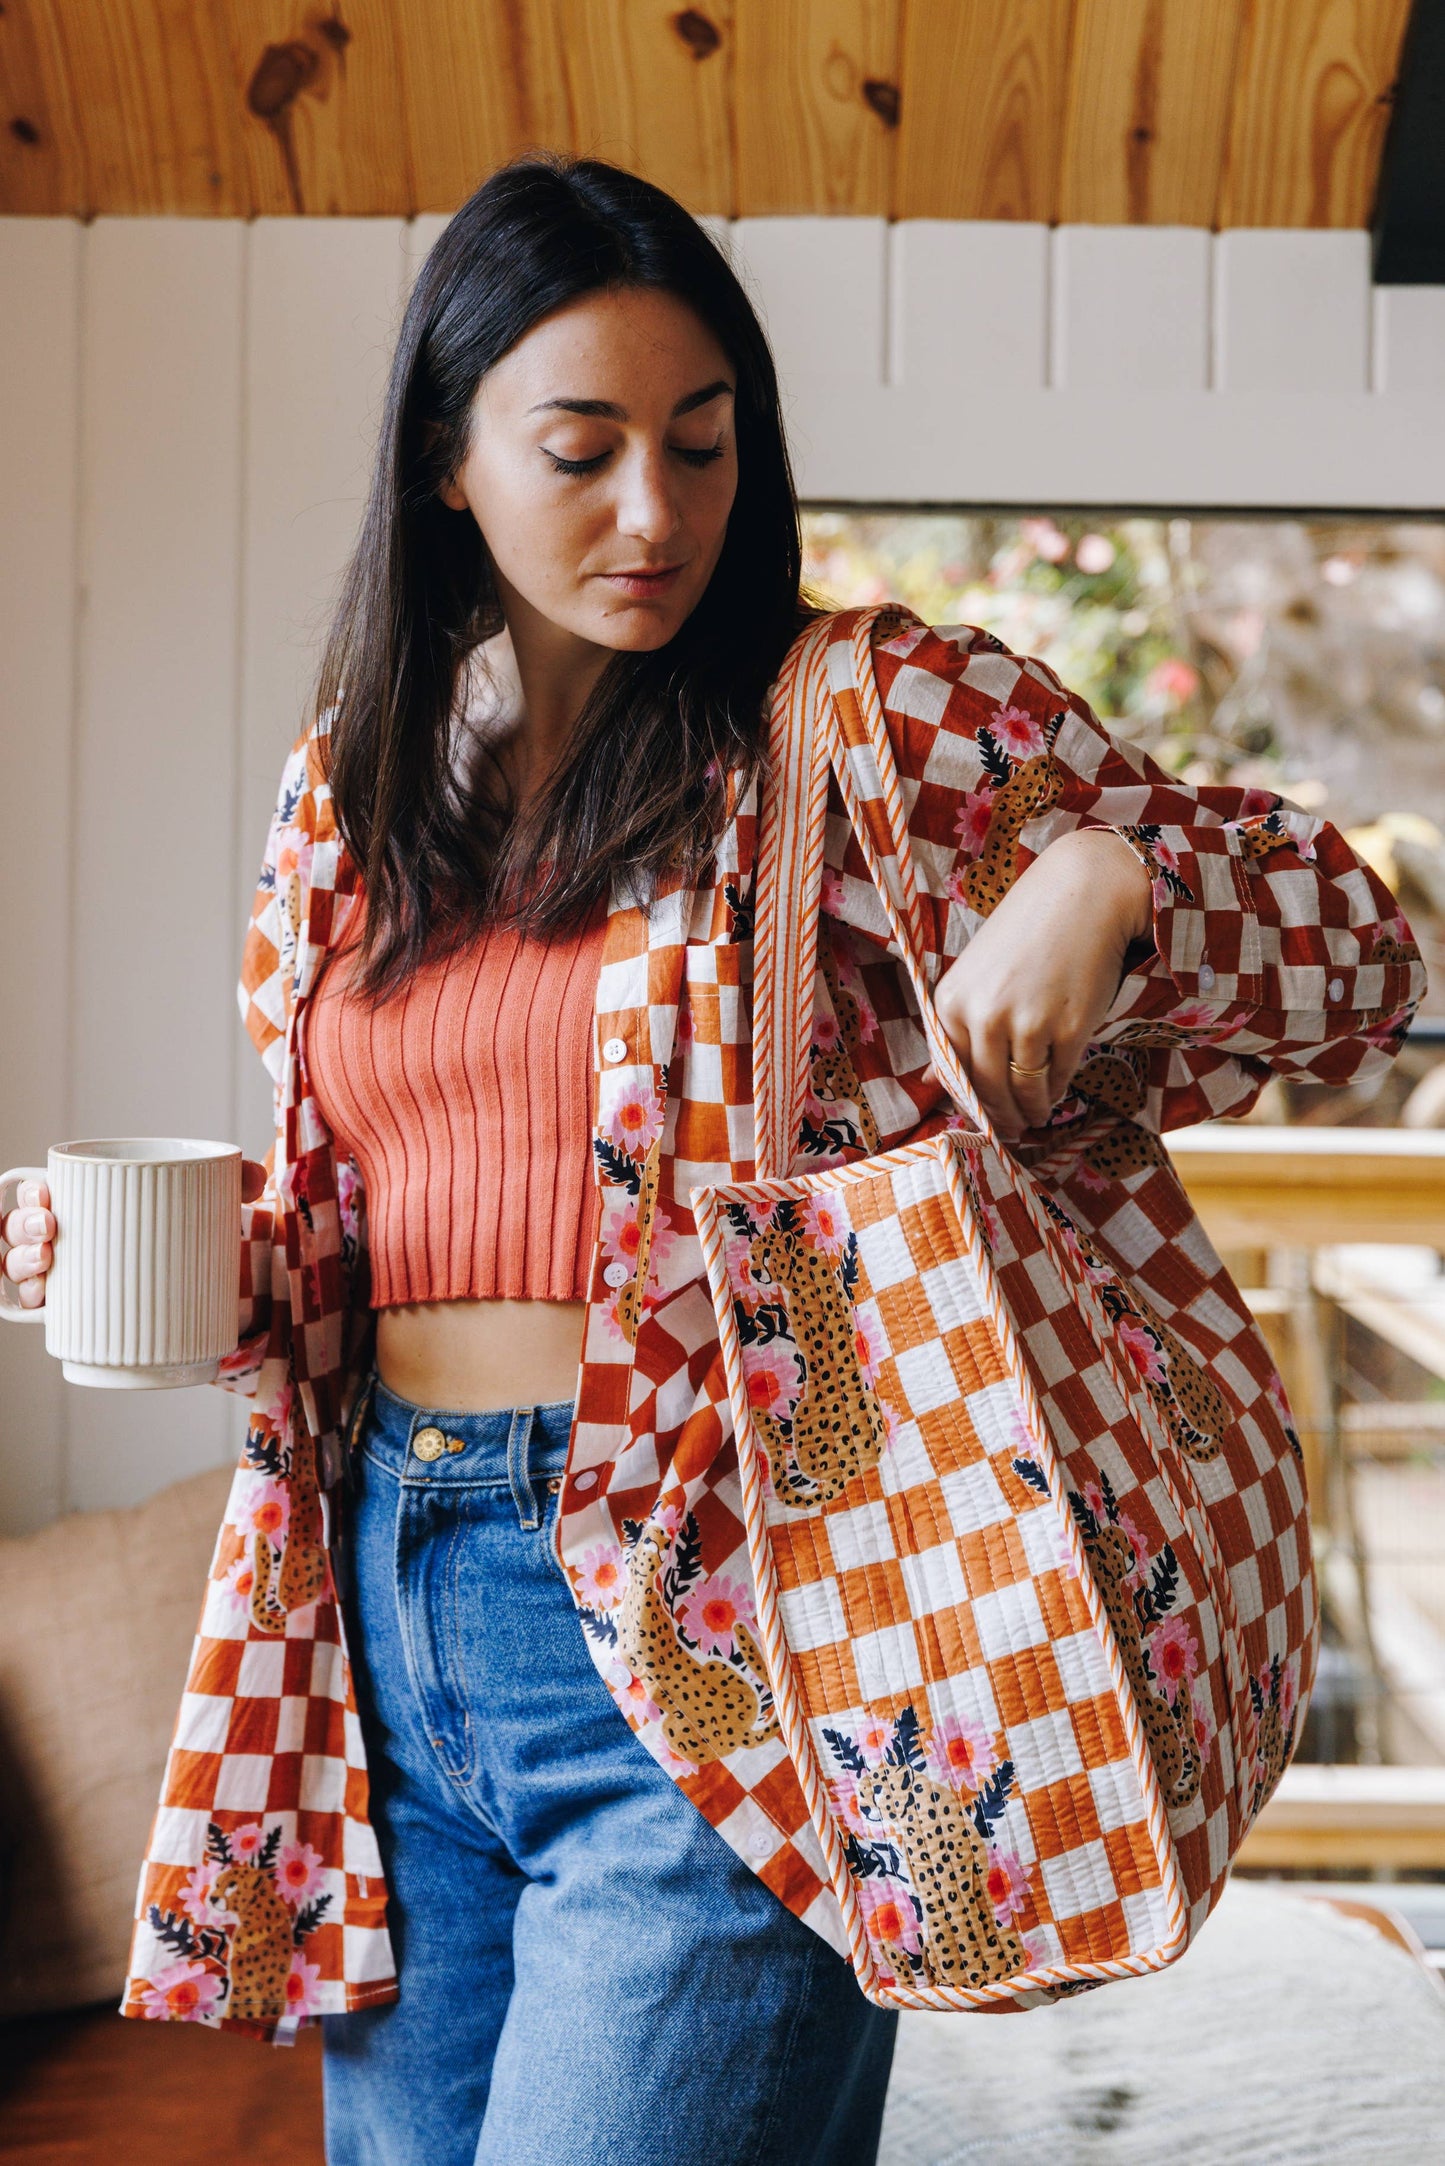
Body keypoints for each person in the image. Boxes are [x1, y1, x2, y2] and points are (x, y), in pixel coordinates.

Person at [4, 157, 1424, 2165]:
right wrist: (121, 1254)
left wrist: (1115, 872)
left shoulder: (857, 727)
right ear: (445, 464)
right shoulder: (353, 791)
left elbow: (1357, 950)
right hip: (383, 1616)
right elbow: (360, 1238)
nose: (658, 512)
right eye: (581, 451)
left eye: (703, 443)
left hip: (718, 1601)